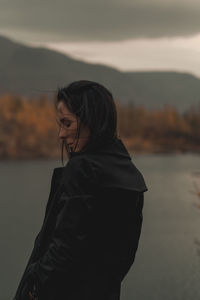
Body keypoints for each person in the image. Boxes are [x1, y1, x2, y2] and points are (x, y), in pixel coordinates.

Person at [13, 80, 148, 300]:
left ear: (91, 122)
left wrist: (34, 287)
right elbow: (124, 257)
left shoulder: (82, 169)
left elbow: (63, 247)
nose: (61, 135)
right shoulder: (130, 174)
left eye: (67, 124)